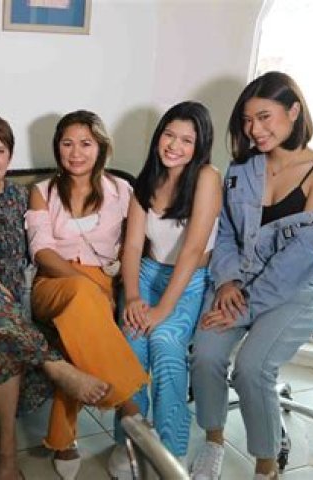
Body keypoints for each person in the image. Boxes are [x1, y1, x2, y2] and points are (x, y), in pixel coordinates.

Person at [0, 114, 113, 480]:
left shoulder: (19, 197)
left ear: (10, 156)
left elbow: (44, 245)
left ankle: (6, 450)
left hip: (5, 313)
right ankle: (52, 366)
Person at [189, 71, 313, 480]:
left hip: (294, 291)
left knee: (252, 368)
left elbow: (298, 260)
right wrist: (226, 282)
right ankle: (213, 442)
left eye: (264, 117)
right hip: (235, 283)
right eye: (247, 120)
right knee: (205, 355)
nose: (254, 130)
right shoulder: (242, 168)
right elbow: (224, 232)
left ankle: (265, 465)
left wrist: (242, 309)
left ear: (293, 111)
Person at [26, 110, 149, 479]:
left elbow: (136, 243)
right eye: (67, 144)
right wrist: (88, 284)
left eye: (85, 143)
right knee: (82, 295)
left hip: (101, 288)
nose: (76, 153)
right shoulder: (42, 191)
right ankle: (128, 406)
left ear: (101, 148)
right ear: (57, 148)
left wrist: (119, 281)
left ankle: (63, 440)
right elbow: (42, 251)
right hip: (52, 283)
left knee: (77, 334)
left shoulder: (122, 191)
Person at [107, 101, 221, 478]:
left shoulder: (207, 178)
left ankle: (170, 452)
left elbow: (192, 250)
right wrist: (133, 297)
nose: (174, 145)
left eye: (187, 140)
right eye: (169, 135)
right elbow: (133, 247)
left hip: (187, 281)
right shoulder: (147, 180)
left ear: (199, 145)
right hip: (146, 275)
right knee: (132, 341)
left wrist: (162, 310)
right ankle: (131, 440)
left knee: (166, 343)